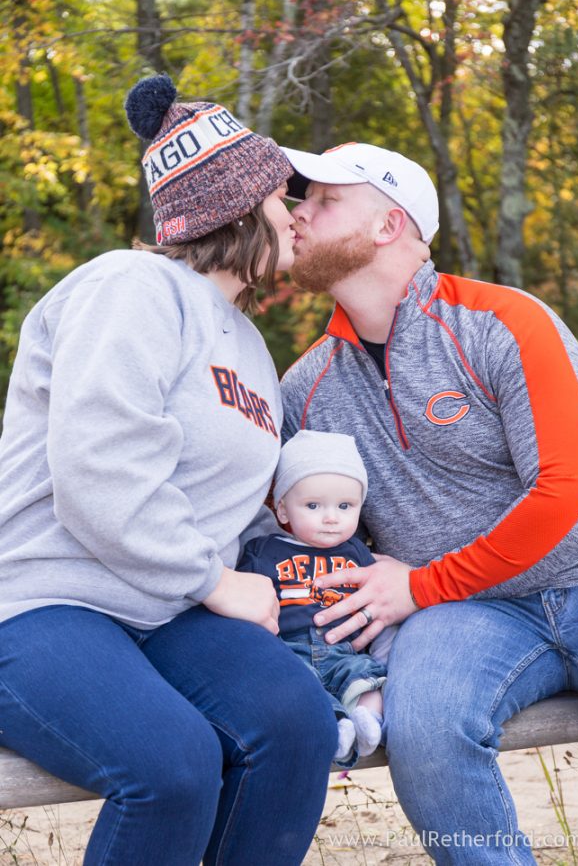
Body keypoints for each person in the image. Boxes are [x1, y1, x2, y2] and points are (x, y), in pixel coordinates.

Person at [0, 74, 338, 866]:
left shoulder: (252, 350)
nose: (294, 212)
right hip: (47, 600)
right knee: (172, 765)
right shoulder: (132, 286)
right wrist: (219, 584)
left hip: (167, 610)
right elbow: (99, 470)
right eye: (281, 195)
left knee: (296, 723)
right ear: (238, 204)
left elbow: (239, 507)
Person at [277, 140, 578, 863]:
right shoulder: (306, 389)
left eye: (326, 200)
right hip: (467, 617)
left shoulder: (505, 322)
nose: (300, 213)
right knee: (423, 729)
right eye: (302, 198)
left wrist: (421, 584)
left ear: (389, 226)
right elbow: (284, 522)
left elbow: (568, 491)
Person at [238, 429, 397, 764]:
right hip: (289, 650)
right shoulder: (263, 551)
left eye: (345, 506)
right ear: (282, 510)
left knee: (366, 678)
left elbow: (380, 610)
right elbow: (249, 604)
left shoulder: (358, 554)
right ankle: (336, 725)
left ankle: (367, 720)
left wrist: (382, 656)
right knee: (298, 687)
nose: (330, 517)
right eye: (313, 505)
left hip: (343, 649)